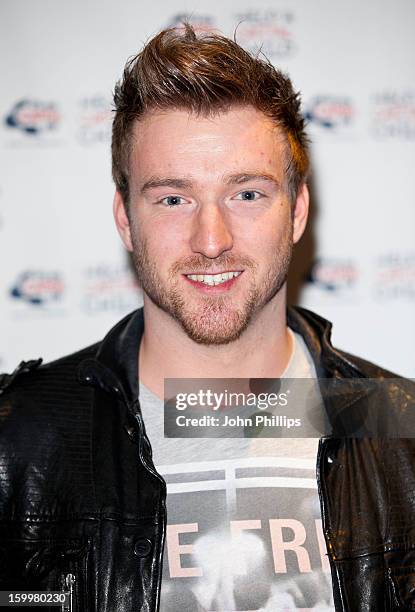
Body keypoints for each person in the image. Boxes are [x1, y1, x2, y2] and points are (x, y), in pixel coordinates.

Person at [0, 24, 414, 612]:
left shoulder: (401, 434)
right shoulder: (17, 445)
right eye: (174, 198)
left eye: (247, 194)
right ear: (125, 218)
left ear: (296, 211)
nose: (211, 240)